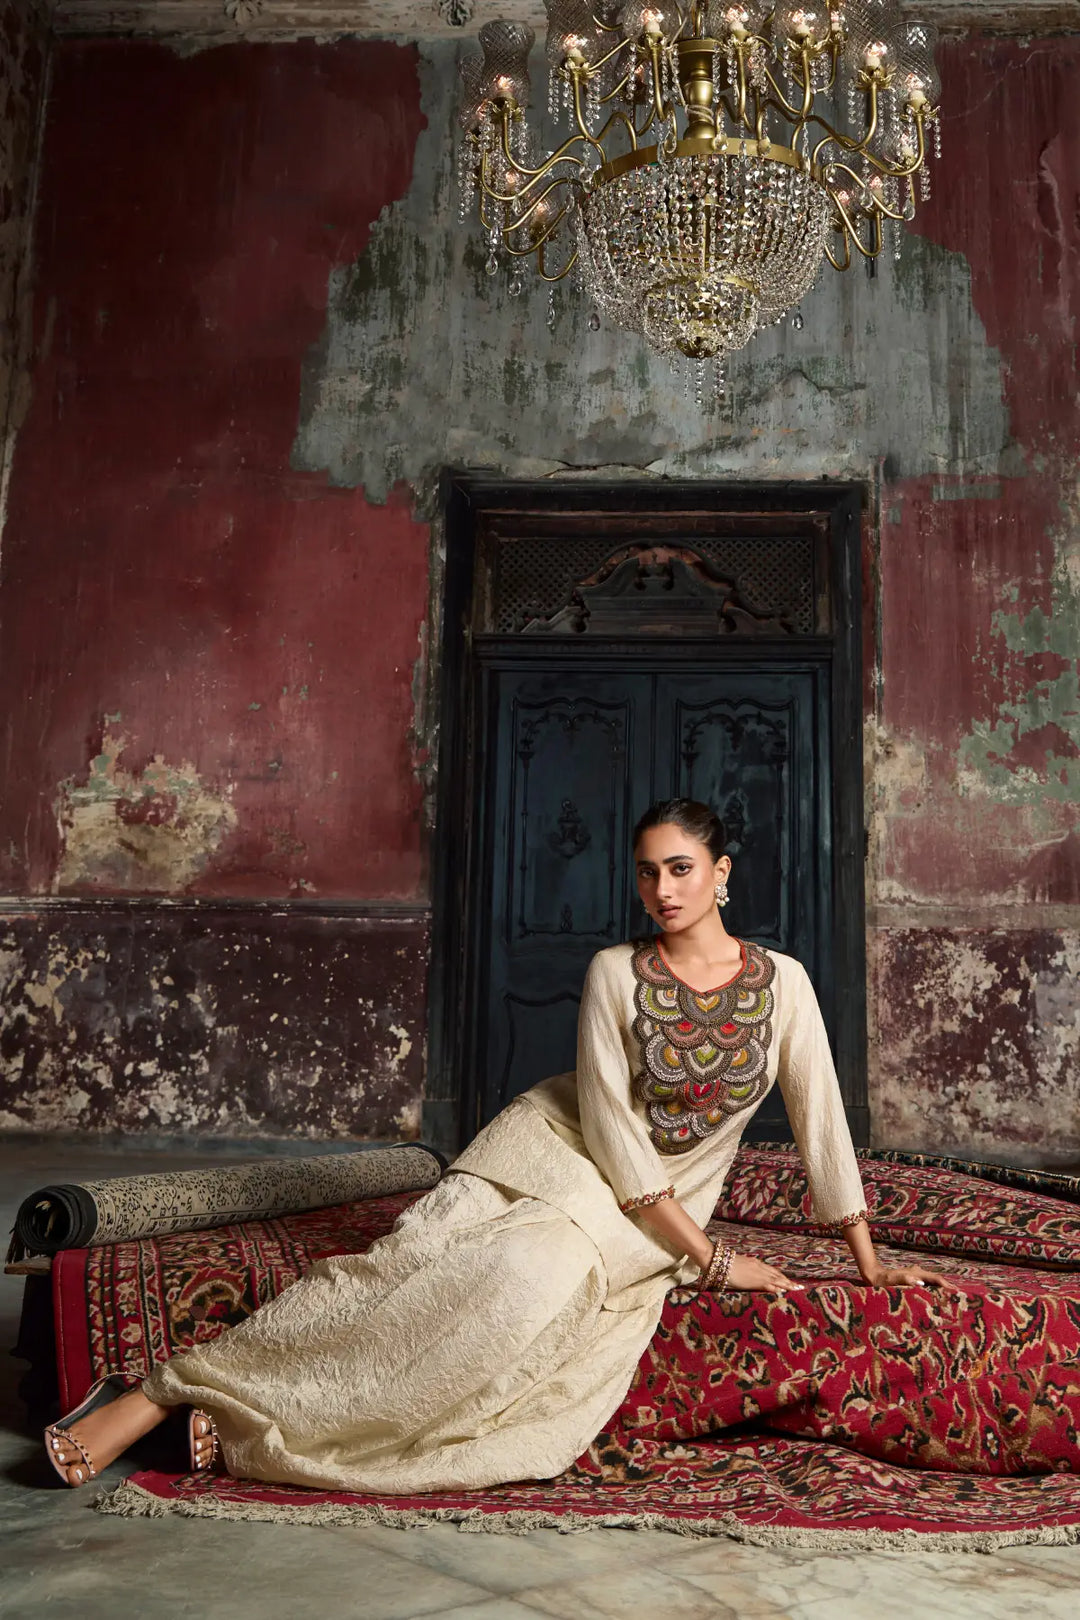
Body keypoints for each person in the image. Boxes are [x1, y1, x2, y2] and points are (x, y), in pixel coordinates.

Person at [45, 797, 945, 1491]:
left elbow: (821, 1114)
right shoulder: (612, 973)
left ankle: (249, 1432)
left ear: (722, 873)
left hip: (660, 1199)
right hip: (561, 1149)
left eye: (680, 869)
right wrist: (715, 1264)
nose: (662, 891)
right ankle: (158, 1391)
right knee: (413, 1263)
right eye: (645, 874)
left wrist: (866, 1262)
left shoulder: (783, 985)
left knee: (522, 1293)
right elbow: (615, 1133)